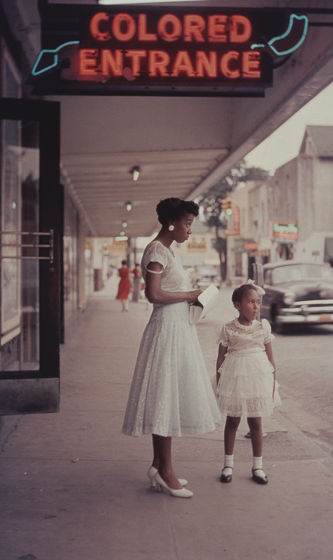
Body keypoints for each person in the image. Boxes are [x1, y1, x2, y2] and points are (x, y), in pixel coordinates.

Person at [122, 198, 220, 498]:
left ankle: (158, 464)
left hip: (178, 328)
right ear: (171, 223)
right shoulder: (156, 251)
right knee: (165, 396)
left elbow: (167, 290)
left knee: (169, 395)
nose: (190, 230)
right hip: (166, 329)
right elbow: (152, 295)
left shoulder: (166, 252)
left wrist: (193, 298)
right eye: (188, 224)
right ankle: (166, 471)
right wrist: (190, 294)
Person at [215, 281, 280, 485]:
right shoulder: (228, 329)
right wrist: (220, 385)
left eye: (257, 302)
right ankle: (228, 464)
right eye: (250, 302)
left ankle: (258, 466)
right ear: (237, 304)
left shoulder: (263, 328)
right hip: (234, 377)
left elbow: (271, 360)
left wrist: (271, 384)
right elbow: (220, 359)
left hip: (257, 377)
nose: (255, 307)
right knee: (232, 420)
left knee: (256, 422)